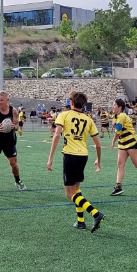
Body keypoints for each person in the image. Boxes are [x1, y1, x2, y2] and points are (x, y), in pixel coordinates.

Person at [46, 91, 104, 232]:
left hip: (70, 155)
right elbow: (98, 144)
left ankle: (95, 213)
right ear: (83, 104)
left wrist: (50, 159)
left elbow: (56, 136)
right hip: (83, 156)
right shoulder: (88, 119)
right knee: (76, 190)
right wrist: (98, 160)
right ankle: (80, 222)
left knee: (69, 194)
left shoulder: (64, 115)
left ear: (71, 102)